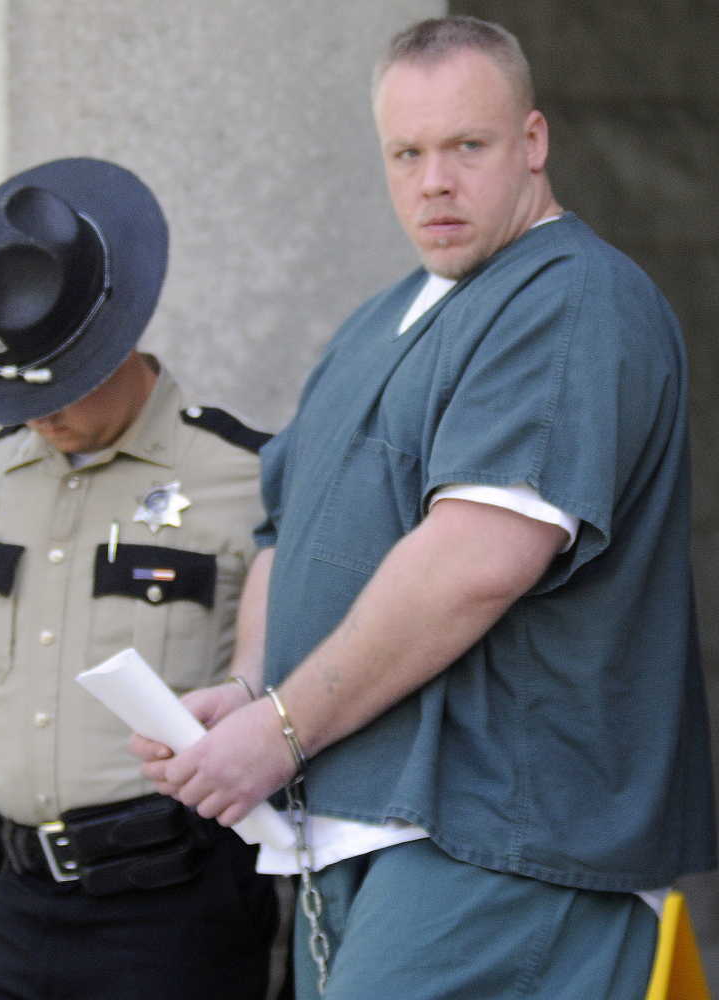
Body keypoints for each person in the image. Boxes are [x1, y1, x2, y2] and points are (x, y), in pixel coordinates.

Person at [132, 17, 717, 1000]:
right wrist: (247, 684)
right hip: (358, 826)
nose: (433, 180)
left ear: (531, 142)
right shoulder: (377, 320)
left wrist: (278, 727)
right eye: (406, 153)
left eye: (466, 146)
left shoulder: (567, 295)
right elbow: (285, 528)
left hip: (504, 833)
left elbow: (476, 558)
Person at [0, 158, 285, 1000]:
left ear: (115, 333)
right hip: (20, 905)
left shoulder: (243, 476)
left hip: (176, 911)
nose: (39, 412)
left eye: (61, 382)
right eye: (17, 389)